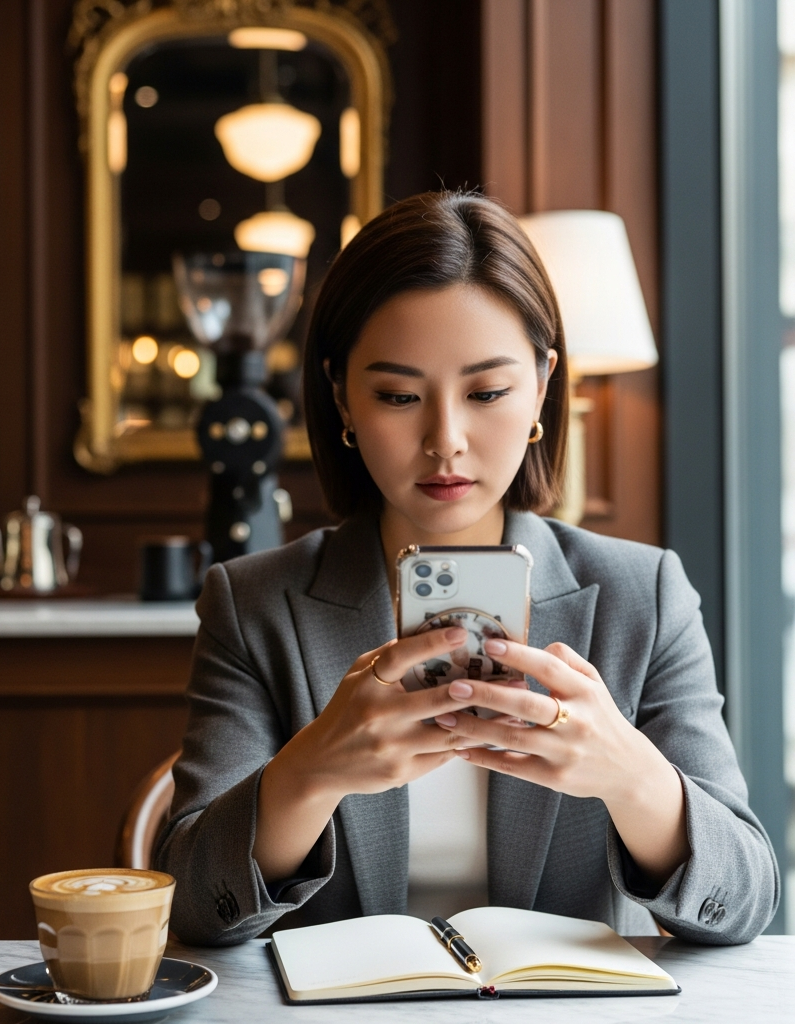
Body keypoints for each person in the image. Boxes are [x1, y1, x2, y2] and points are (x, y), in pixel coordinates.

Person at [154, 191, 779, 946]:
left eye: (487, 392)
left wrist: (629, 777)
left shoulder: (639, 596)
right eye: (398, 395)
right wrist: (310, 773)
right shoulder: (256, 603)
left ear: (543, 384)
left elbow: (745, 903)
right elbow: (190, 906)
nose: (445, 439)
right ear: (342, 397)